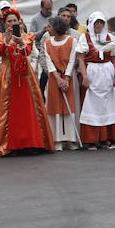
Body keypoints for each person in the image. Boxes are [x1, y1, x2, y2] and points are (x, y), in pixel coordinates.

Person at [0, 9, 54, 156]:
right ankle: (11, 144)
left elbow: (28, 51)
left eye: (14, 21)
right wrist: (6, 40)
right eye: (9, 21)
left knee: (27, 109)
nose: (11, 23)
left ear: (19, 21)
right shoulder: (0, 36)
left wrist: (20, 41)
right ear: (4, 23)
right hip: (7, 73)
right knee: (9, 108)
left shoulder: (27, 36)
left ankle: (31, 142)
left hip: (24, 74)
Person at [76, 13, 115, 151]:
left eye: (101, 23)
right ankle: (92, 140)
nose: (99, 25)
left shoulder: (110, 38)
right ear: (92, 24)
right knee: (92, 106)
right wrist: (84, 76)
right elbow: (80, 59)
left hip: (107, 72)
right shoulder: (85, 38)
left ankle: (107, 138)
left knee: (109, 105)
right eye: (96, 23)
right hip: (93, 71)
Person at [40, 17, 80, 151]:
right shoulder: (47, 42)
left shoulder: (72, 41)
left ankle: (70, 139)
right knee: (54, 107)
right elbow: (48, 62)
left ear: (56, 27)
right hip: (54, 78)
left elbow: (72, 60)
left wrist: (66, 79)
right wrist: (58, 78)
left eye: (50, 26)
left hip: (68, 77)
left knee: (69, 107)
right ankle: (56, 139)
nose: (48, 29)